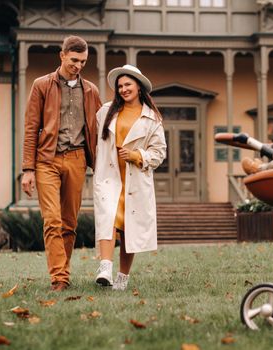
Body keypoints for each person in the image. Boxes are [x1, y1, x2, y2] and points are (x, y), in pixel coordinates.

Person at [21, 36, 102, 292]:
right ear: (62, 56)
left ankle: (62, 270)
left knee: (69, 223)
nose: (78, 65)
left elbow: (100, 130)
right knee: (52, 220)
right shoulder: (41, 85)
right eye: (74, 60)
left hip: (77, 159)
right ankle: (59, 278)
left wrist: (104, 165)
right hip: (47, 160)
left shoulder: (91, 90)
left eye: (83, 61)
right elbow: (31, 128)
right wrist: (28, 169)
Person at [93, 64, 166, 291]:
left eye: (128, 85)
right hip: (109, 175)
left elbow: (159, 152)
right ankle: (105, 268)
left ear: (139, 87)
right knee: (107, 219)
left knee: (129, 229)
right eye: (120, 86)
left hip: (135, 180)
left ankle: (122, 278)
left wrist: (136, 155)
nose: (123, 89)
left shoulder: (152, 118)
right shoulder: (106, 112)